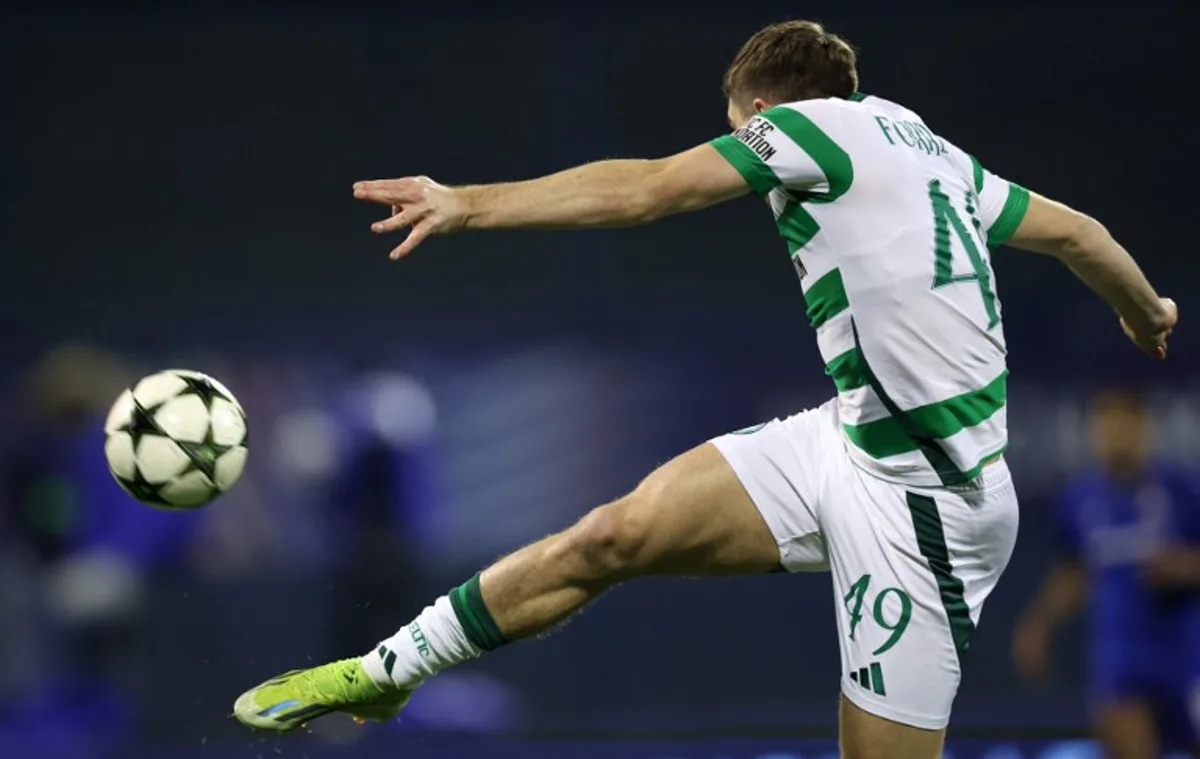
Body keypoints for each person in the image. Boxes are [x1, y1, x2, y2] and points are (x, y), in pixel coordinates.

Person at [232, 20, 1177, 759]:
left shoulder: (808, 129)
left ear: (765, 108)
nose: (744, 153)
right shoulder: (934, 153)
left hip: (930, 510)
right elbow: (1082, 233)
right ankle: (387, 668)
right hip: (850, 441)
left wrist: (466, 202)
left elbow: (643, 190)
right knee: (615, 533)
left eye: (739, 132)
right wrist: (1149, 309)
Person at [1013, 389, 1200, 759]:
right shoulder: (1079, 499)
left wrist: (1182, 567)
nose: (1113, 435)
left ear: (1143, 427)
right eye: (1104, 425)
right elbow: (1075, 570)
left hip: (1185, 657)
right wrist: (1039, 626)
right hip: (1120, 662)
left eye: (1123, 424)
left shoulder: (1180, 488)